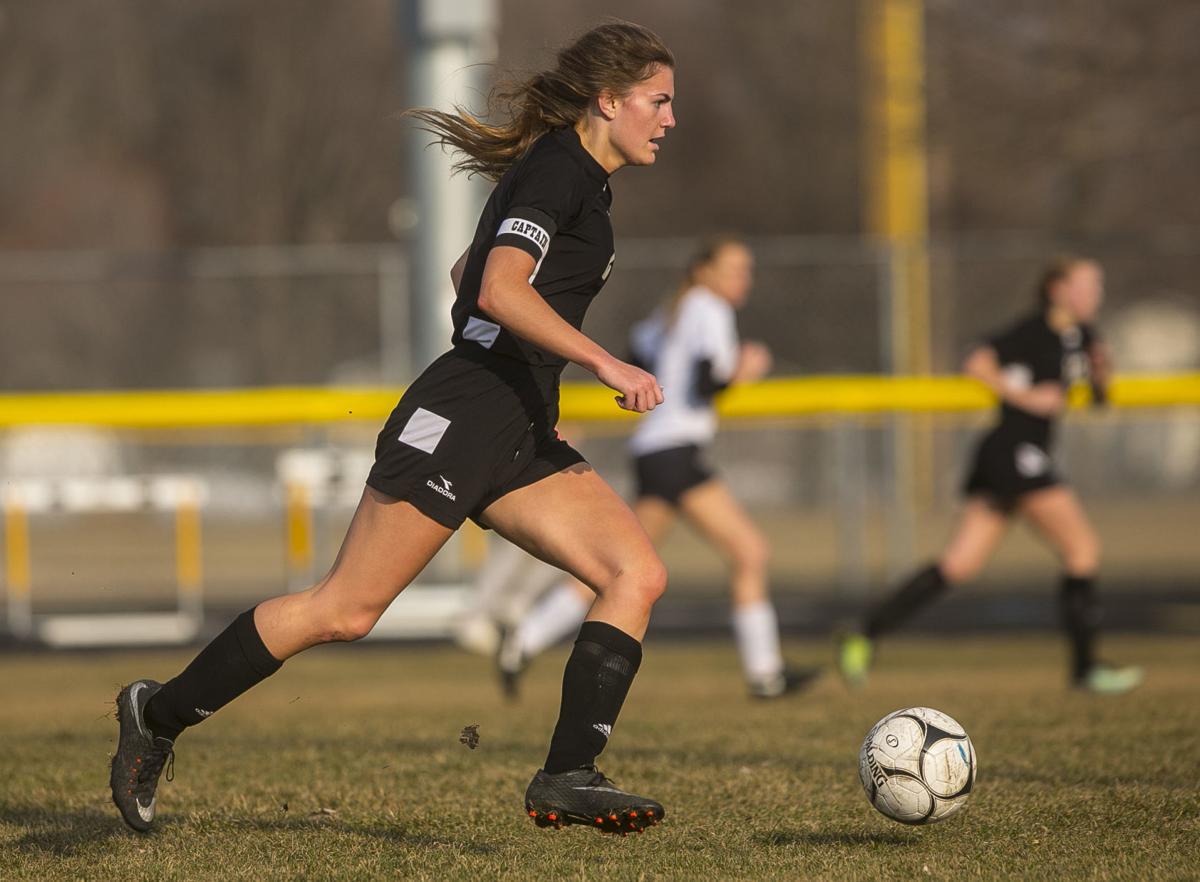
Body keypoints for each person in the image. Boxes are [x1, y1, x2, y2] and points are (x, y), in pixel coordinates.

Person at [110, 21, 677, 836]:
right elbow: (496, 288)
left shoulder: (579, 180)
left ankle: (567, 775)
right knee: (344, 610)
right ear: (609, 99)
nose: (667, 119)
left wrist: (517, 333)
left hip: (515, 424)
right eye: (657, 102)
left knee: (637, 575)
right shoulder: (560, 173)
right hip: (461, 415)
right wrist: (606, 363)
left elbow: (467, 272)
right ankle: (156, 715)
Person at [498, 236, 818, 698]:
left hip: (656, 450)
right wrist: (745, 369)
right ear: (705, 271)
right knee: (749, 552)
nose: (743, 279)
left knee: (618, 567)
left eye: (746, 270)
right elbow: (708, 382)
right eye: (734, 269)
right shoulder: (709, 308)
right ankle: (766, 675)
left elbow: (639, 351)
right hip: (675, 452)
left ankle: (524, 639)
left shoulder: (674, 309)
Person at [836, 256, 1143, 694]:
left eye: (1099, 285)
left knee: (958, 564)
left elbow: (1097, 397)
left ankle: (863, 635)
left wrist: (1102, 370)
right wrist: (1023, 396)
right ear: (1057, 290)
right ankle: (1085, 669)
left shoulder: (1084, 336)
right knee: (1082, 550)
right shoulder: (1032, 330)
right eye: (1087, 284)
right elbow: (976, 361)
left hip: (1009, 455)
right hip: (1014, 450)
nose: (1096, 294)